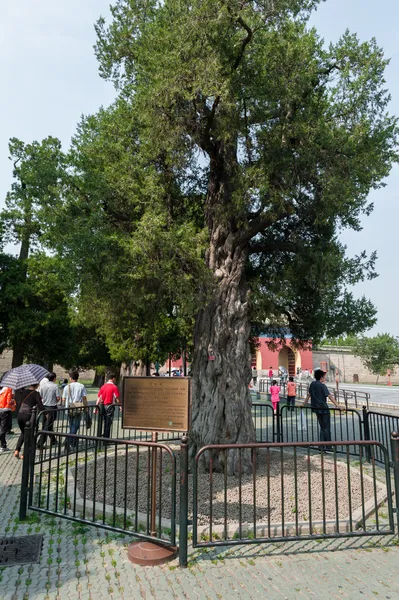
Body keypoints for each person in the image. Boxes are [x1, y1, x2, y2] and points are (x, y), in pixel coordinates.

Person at [303, 368, 342, 451]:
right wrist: (338, 405)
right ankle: (328, 445)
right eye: (324, 376)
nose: (324, 378)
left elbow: (308, 395)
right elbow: (329, 396)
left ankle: (321, 445)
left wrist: (303, 404)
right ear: (321, 377)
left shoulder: (312, 384)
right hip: (324, 408)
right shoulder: (322, 385)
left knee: (322, 427)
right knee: (326, 427)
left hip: (316, 408)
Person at [15, 384, 45, 459]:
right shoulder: (36, 393)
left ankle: (17, 450)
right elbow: (40, 406)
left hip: (20, 414)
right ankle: (24, 454)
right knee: (29, 435)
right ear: (37, 385)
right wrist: (46, 414)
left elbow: (19, 402)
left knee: (23, 433)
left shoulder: (23, 392)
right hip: (28, 416)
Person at [62, 371, 87, 446]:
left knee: (71, 424)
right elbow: (84, 398)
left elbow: (63, 399)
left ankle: (70, 439)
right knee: (76, 425)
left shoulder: (67, 387)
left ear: (70, 378)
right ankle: (70, 440)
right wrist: (86, 407)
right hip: (78, 407)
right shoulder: (81, 386)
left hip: (69, 407)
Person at [38, 372, 61, 447]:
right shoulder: (55, 386)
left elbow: (40, 396)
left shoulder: (43, 386)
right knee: (47, 425)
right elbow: (58, 397)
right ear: (54, 378)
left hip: (44, 407)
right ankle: (40, 443)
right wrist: (56, 401)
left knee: (47, 424)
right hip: (51, 407)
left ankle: (53, 440)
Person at [96, 374, 120, 439]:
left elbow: (99, 397)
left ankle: (99, 435)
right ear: (113, 379)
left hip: (102, 405)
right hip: (110, 405)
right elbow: (117, 398)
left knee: (101, 420)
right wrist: (120, 406)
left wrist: (96, 406)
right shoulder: (114, 387)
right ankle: (106, 437)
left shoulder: (103, 386)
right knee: (108, 422)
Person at [0, 387, 16, 454]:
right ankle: (3, 446)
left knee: (1, 428)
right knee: (3, 429)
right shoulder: (10, 389)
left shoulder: (1, 389)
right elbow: (10, 400)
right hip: (6, 410)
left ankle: (3, 445)